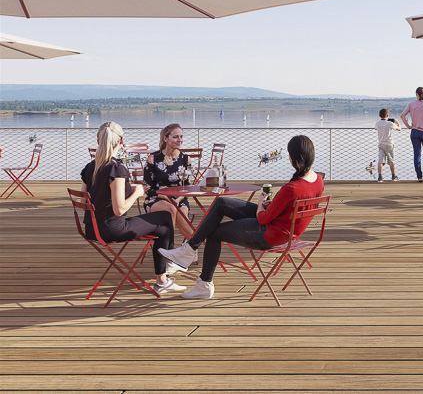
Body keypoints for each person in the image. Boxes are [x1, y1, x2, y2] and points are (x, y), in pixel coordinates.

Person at [159, 135, 324, 300]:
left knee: (214, 232)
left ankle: (203, 281)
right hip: (284, 230)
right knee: (221, 203)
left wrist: (260, 203)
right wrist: (272, 205)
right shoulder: (318, 181)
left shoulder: (292, 188)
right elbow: (288, 208)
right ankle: (189, 249)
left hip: (270, 235)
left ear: (294, 158)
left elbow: (263, 219)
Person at [80, 121, 184, 295]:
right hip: (112, 229)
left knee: (163, 225)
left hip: (92, 229)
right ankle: (165, 271)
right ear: (121, 141)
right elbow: (119, 210)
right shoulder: (116, 169)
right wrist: (136, 193)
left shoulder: (90, 167)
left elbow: (84, 200)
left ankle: (164, 274)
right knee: (165, 218)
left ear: (98, 141)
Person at [143, 123, 193, 239]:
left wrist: (178, 199)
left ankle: (194, 246)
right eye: (175, 137)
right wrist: (166, 197)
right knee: (171, 209)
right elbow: (147, 187)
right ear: (165, 139)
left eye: (181, 136)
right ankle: (169, 246)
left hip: (179, 199)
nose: (179, 140)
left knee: (181, 215)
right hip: (156, 198)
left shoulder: (186, 159)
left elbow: (188, 186)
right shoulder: (153, 158)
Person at [375, 108, 401, 182]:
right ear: (387, 115)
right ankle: (393, 176)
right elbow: (399, 129)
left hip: (381, 144)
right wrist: (397, 122)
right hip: (389, 144)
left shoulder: (377, 123)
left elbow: (376, 128)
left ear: (379, 115)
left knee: (380, 161)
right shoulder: (390, 124)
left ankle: (380, 177)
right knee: (391, 161)